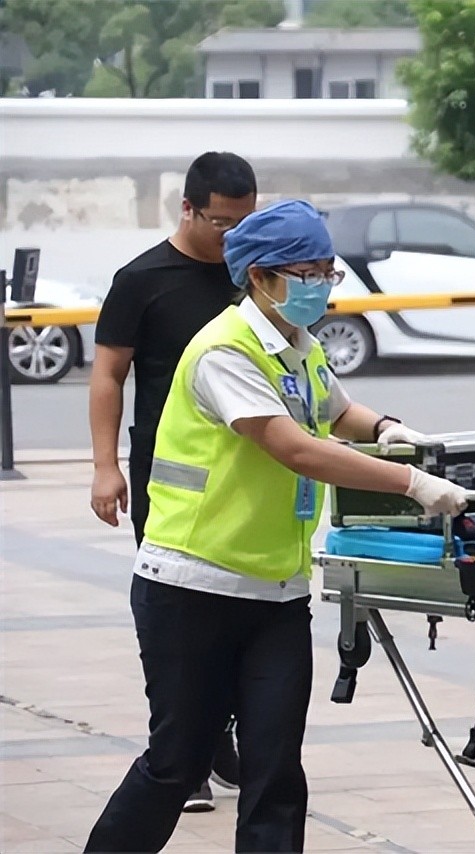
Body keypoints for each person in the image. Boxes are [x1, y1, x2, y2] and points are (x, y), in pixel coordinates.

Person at [83, 200, 468, 853]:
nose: (320, 284)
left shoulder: (302, 348)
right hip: (191, 589)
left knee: (275, 772)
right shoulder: (222, 351)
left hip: (276, 596)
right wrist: (411, 482)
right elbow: (294, 447)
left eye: (328, 271)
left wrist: (386, 430)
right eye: (307, 272)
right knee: (177, 763)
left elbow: (337, 411)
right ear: (260, 277)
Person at [89, 151, 257, 812]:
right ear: (187, 209)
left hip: (249, 480)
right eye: (221, 221)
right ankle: (181, 755)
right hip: (172, 487)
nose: (232, 235)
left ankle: (216, 744)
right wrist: (105, 468)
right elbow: (108, 376)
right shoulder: (142, 279)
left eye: (244, 221)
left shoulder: (254, 276)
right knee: (179, 626)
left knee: (243, 618)